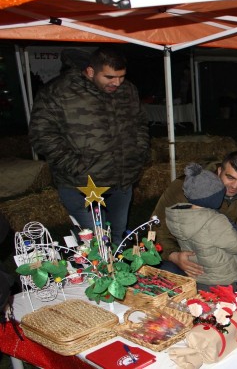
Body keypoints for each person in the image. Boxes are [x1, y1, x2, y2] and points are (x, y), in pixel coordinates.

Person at [29, 47, 150, 244]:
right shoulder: (58, 91)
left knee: (117, 240)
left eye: (121, 76)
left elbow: (140, 124)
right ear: (91, 71)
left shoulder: (127, 90)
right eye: (110, 77)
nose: (117, 83)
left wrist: (139, 153)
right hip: (82, 185)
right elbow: (41, 136)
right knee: (94, 246)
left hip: (122, 181)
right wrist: (78, 166)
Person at [165, 163, 237, 290]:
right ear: (215, 197)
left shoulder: (179, 215)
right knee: (228, 306)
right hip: (220, 276)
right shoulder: (215, 221)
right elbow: (236, 246)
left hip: (197, 273)